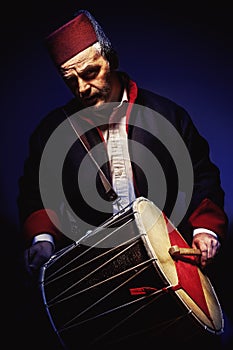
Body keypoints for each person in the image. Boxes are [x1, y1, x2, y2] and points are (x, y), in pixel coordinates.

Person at [17, 9, 228, 349]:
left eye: (90, 72)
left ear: (111, 60)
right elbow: (35, 193)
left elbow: (203, 175)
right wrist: (42, 239)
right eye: (71, 80)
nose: (83, 88)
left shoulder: (166, 115)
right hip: (97, 276)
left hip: (168, 264)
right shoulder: (50, 133)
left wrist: (206, 230)